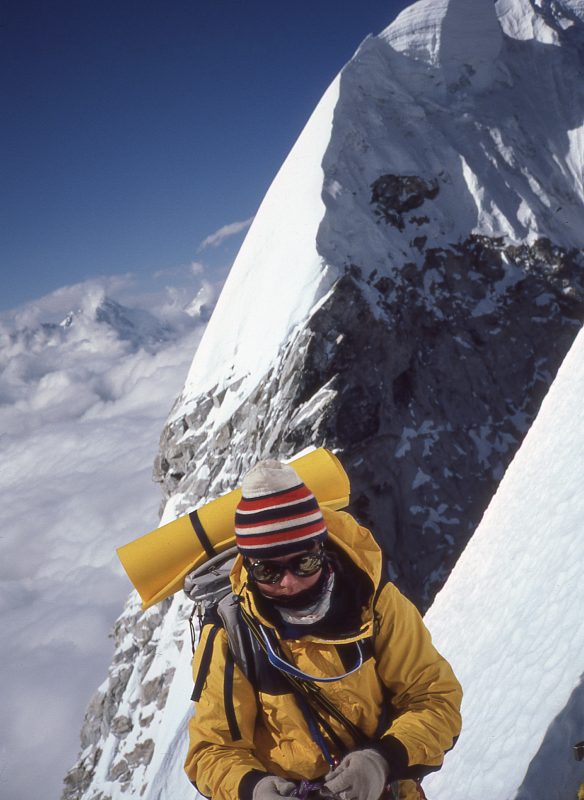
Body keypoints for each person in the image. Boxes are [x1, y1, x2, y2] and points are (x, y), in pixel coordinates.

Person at [184, 459, 462, 800]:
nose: (289, 582)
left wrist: (382, 760)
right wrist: (252, 789)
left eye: (304, 563)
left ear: (322, 550)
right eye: (268, 571)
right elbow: (212, 748)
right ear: (250, 566)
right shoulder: (233, 635)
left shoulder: (375, 605)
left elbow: (434, 700)